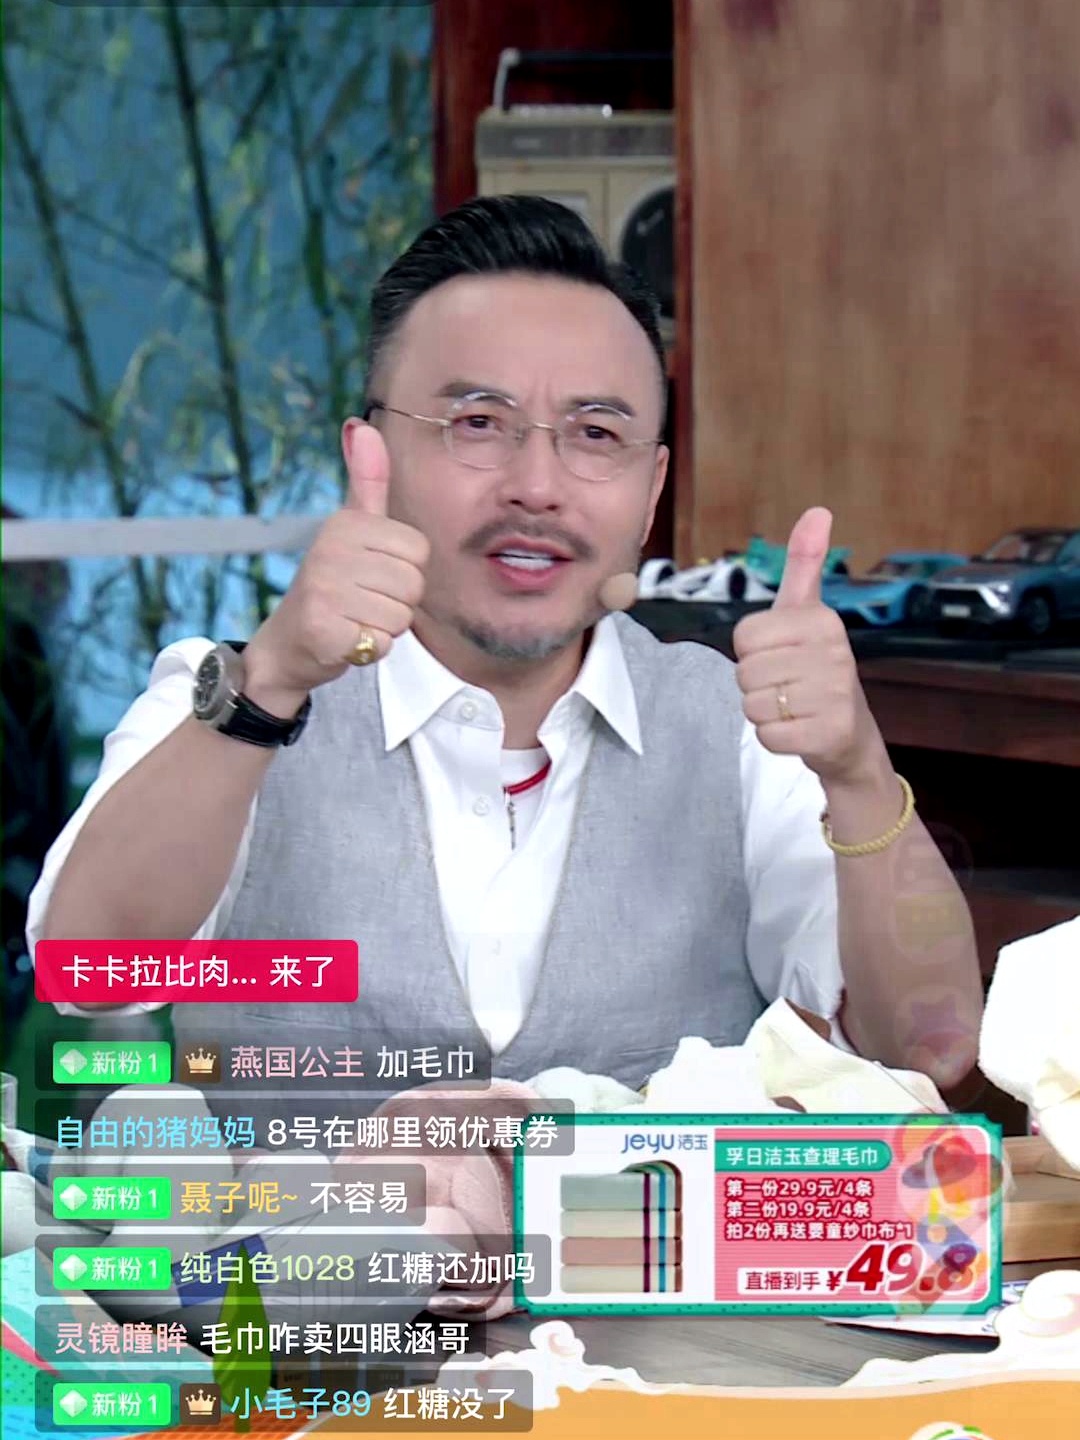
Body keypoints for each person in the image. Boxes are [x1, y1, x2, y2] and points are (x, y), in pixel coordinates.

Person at [28, 195, 983, 1103]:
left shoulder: (735, 729)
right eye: (478, 423)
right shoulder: (228, 697)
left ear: (651, 489)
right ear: (368, 453)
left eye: (595, 433)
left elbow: (931, 1049)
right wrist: (269, 681)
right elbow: (86, 974)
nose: (537, 484)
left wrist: (859, 769)